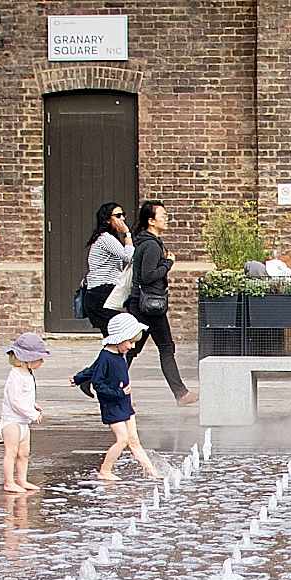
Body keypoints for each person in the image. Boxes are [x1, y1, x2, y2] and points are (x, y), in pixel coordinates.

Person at [74, 312, 160, 482]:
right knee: (122, 440)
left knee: (134, 440)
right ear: (120, 339)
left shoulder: (119, 354)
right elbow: (98, 382)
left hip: (124, 402)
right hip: (112, 404)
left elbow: (92, 369)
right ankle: (105, 470)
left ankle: (151, 471)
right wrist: (119, 393)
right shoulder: (106, 356)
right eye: (130, 342)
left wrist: (78, 378)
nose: (132, 347)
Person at [128, 200, 195, 405]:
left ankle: (92, 377)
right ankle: (181, 393)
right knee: (165, 348)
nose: (166, 219)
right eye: (162, 215)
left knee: (130, 349)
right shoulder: (150, 245)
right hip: (150, 306)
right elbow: (148, 276)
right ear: (151, 221)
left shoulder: (146, 242)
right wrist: (168, 263)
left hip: (142, 304)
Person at [0, 333, 46, 493]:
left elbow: (26, 397)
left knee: (24, 453)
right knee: (11, 453)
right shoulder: (16, 375)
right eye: (39, 359)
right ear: (27, 359)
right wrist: (32, 414)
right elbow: (15, 401)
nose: (41, 362)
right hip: (12, 422)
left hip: (23, 422)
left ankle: (22, 479)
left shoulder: (27, 374)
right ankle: (9, 481)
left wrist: (33, 405)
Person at [83, 203, 134, 333]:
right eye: (118, 215)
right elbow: (128, 256)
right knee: (120, 332)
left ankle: (121, 353)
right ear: (107, 219)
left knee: (113, 335)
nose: (122, 219)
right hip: (102, 293)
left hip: (100, 293)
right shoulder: (106, 238)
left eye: (123, 215)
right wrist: (127, 234)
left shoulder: (106, 238)